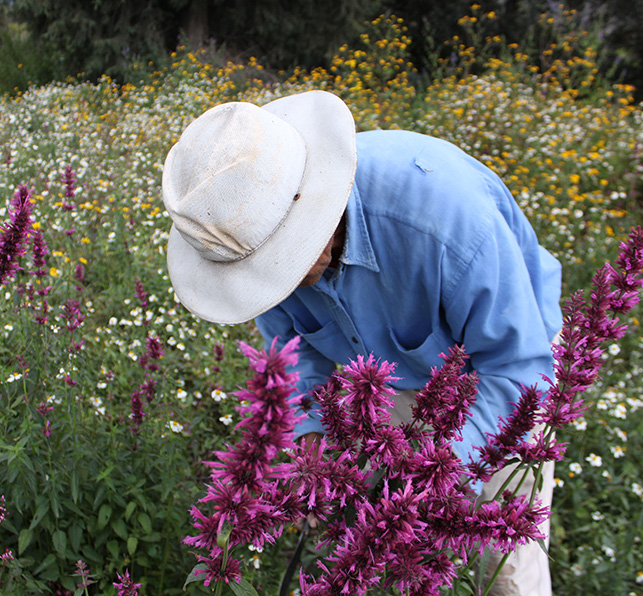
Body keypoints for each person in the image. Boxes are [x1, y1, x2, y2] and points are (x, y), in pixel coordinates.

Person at [161, 90, 562, 596]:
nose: (273, 286)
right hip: (384, 375)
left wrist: (442, 472)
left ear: (310, 207)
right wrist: (308, 427)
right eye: (257, 275)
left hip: (505, 372)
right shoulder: (250, 227)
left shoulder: (446, 221)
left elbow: (519, 367)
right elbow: (294, 346)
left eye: (278, 265)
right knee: (375, 544)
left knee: (500, 559)